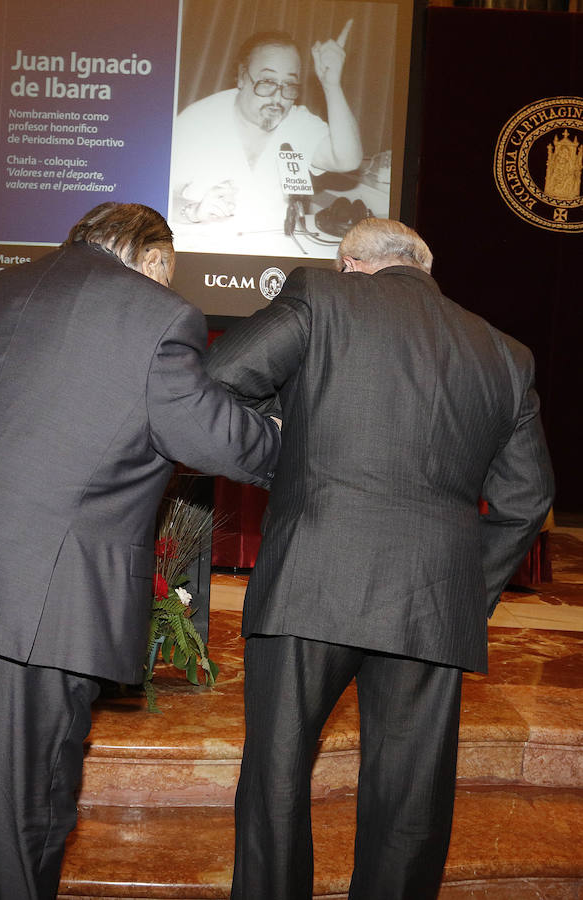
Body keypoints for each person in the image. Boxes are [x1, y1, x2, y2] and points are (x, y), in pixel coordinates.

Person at [0, 202, 281, 900]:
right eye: (165, 270)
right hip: (45, 577)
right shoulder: (157, 316)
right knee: (38, 789)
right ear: (149, 258)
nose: (164, 283)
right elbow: (206, 438)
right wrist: (282, 435)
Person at [205, 217, 554, 899]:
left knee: (277, 782)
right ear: (422, 267)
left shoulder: (320, 296)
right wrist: (462, 588)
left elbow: (218, 381)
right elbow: (527, 499)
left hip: (311, 578)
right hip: (431, 601)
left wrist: (286, 450)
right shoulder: (504, 352)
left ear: (349, 264)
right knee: (409, 805)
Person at [170, 26, 362, 248]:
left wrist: (332, 86)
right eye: (267, 82)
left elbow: (348, 159)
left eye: (289, 85)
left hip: (271, 256)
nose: (277, 98)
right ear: (242, 77)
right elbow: (156, 201)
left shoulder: (298, 122)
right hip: (204, 250)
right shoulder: (197, 121)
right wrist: (193, 211)